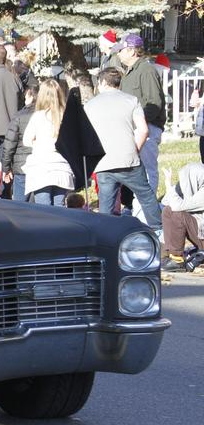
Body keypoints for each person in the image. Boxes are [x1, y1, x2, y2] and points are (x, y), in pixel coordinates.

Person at [84, 67, 162, 232]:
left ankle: (106, 234)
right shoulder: (132, 100)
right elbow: (143, 130)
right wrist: (135, 149)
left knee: (106, 203)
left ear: (103, 82)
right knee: (146, 196)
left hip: (103, 160)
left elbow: (86, 135)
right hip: (128, 158)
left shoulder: (90, 105)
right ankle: (158, 229)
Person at [117, 34, 166, 197]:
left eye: (122, 50)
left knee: (147, 170)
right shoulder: (129, 73)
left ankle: (148, 211)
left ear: (132, 51)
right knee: (134, 172)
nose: (118, 54)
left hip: (147, 129)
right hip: (133, 129)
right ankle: (134, 207)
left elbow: (154, 103)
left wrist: (139, 124)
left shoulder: (147, 70)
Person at [21, 79, 74, 206]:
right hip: (62, 168)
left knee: (43, 209)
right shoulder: (68, 116)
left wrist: (38, 143)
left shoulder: (38, 116)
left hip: (41, 167)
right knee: (59, 207)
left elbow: (26, 140)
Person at [160, 162, 204, 272]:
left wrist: (168, 185)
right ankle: (170, 254)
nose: (185, 183)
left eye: (186, 179)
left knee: (178, 214)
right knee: (167, 211)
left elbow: (177, 206)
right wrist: (176, 188)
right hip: (199, 231)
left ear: (193, 178)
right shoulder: (192, 183)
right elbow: (165, 201)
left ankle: (177, 260)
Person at [1, 83, 37, 201]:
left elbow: (9, 144)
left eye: (26, 97)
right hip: (41, 167)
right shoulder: (49, 115)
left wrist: (6, 168)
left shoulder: (20, 116)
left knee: (20, 205)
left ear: (31, 97)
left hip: (22, 167)